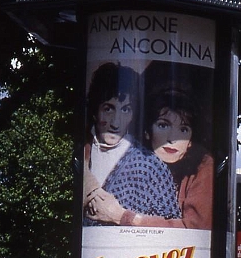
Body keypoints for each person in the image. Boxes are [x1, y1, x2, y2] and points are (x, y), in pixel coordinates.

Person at [87, 85, 213, 229]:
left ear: (191, 140)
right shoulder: (137, 161)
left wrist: (123, 216)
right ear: (147, 131)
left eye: (183, 129)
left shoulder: (205, 168)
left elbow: (194, 228)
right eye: (163, 126)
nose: (172, 139)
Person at [83, 63, 180, 226]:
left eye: (126, 110)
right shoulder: (81, 154)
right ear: (94, 110)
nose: (116, 123)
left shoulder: (150, 166)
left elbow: (173, 227)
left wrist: (122, 217)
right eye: (108, 109)